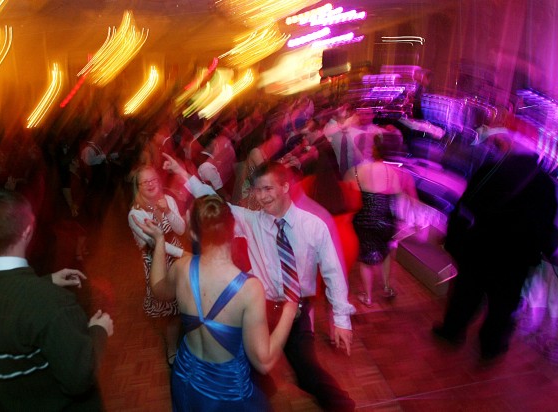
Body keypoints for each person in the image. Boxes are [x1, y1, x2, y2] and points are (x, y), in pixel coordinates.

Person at [163, 153, 356, 411]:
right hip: (260, 308)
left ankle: (342, 405)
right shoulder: (252, 221)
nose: (262, 196)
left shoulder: (314, 227)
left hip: (296, 310)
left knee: (307, 371)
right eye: (257, 190)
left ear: (285, 186)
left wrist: (341, 320)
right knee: (251, 365)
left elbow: (333, 272)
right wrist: (184, 175)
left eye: (268, 189)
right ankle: (261, 393)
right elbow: (213, 201)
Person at [0, 188, 113, 411]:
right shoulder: (51, 303)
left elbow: (6, 316)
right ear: (27, 231)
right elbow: (79, 378)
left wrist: (46, 281)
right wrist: (98, 331)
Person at [133, 195, 297, 411]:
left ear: (192, 233)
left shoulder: (182, 267)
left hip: (185, 379)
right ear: (233, 230)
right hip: (227, 394)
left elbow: (158, 290)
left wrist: (160, 241)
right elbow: (263, 362)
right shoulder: (249, 288)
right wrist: (290, 308)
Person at [434, 134, 558, 360]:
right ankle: (491, 347)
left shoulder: (491, 170)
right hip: (516, 257)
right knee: (503, 304)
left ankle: (452, 332)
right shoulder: (544, 183)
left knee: (466, 294)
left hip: (481, 246)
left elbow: (467, 204)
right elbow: (547, 222)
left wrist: (455, 237)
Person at [344, 135, 415, 307]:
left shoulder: (355, 171)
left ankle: (367, 296)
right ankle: (387, 287)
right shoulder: (392, 172)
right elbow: (398, 196)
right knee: (386, 253)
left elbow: (348, 195)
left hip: (364, 219)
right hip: (385, 219)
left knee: (366, 258)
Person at [127, 165, 185, 366]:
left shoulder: (168, 200)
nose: (151, 184)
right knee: (168, 310)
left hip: (176, 257)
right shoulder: (135, 214)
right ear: (138, 187)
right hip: (156, 261)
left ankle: (182, 339)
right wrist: (183, 254)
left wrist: (167, 210)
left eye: (153, 180)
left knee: (180, 306)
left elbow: (180, 228)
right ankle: (171, 347)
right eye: (145, 182)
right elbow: (155, 244)